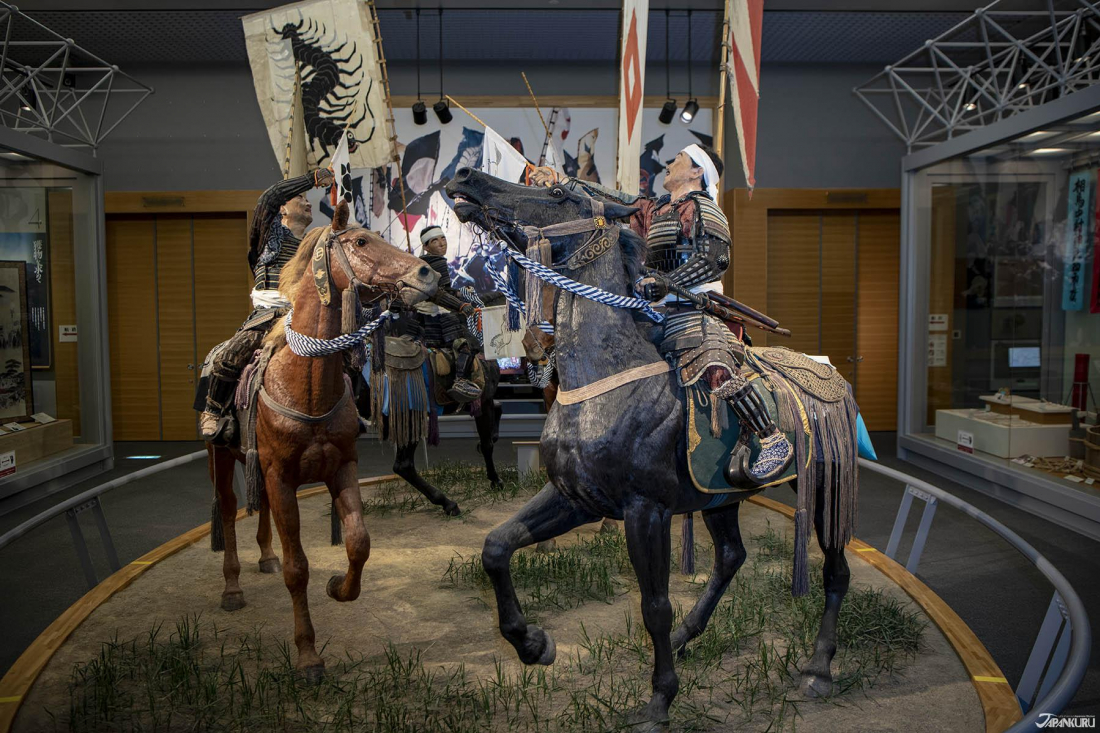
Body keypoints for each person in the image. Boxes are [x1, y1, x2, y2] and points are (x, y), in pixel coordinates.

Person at [529, 145, 793, 484]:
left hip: (694, 308)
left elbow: (716, 259)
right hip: (652, 308)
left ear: (697, 172)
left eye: (678, 159)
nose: (669, 163)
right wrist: (561, 181)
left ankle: (772, 438)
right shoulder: (655, 209)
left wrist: (667, 283)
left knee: (715, 365)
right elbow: (611, 199)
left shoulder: (702, 207)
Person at [199, 168, 335, 442]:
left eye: (308, 197)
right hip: (267, 316)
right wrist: (314, 178)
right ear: (284, 209)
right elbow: (269, 198)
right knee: (229, 355)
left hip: (304, 317)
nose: (308, 203)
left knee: (348, 361)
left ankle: (347, 413)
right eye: (300, 197)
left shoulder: (316, 247)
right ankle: (212, 410)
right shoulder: (268, 238)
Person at [411, 225, 481, 402]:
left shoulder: (422, 263)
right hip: (437, 314)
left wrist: (460, 292)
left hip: (420, 316)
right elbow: (438, 294)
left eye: (443, 239)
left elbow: (445, 290)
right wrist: (461, 304)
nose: (441, 244)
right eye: (435, 240)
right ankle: (460, 380)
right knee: (469, 345)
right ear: (426, 246)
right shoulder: (438, 262)